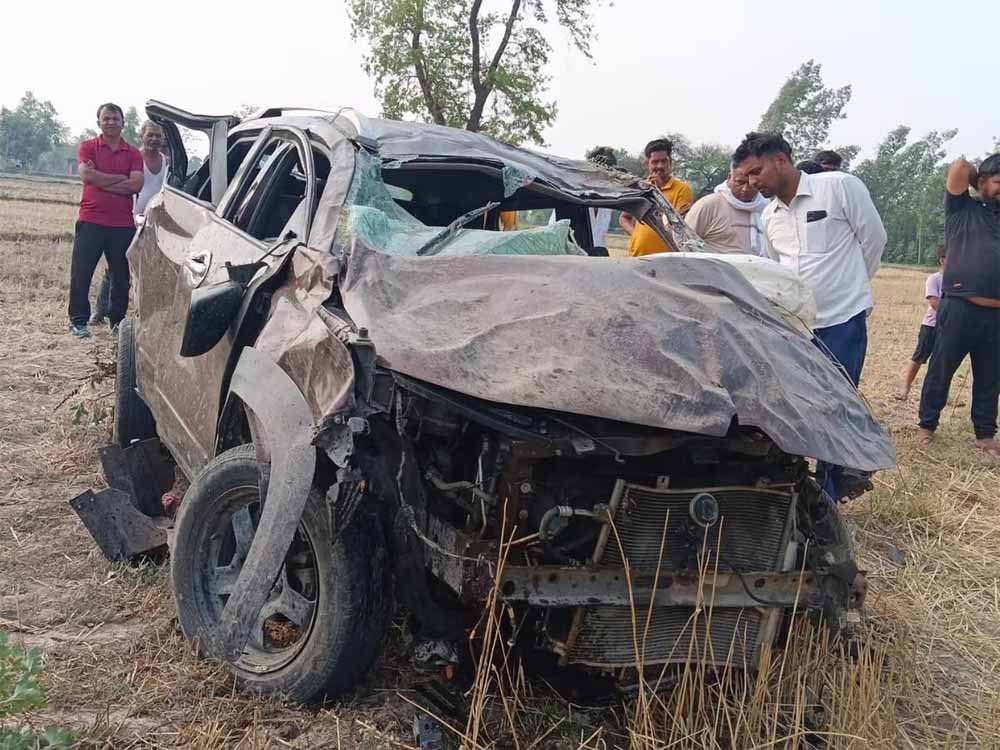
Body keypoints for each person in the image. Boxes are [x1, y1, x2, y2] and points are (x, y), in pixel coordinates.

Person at [733, 132, 887, 499]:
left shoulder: (839, 187)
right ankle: (792, 490)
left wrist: (852, 288)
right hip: (795, 328)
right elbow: (775, 271)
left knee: (836, 408)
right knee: (794, 408)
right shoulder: (769, 216)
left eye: (756, 172)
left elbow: (874, 240)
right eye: (747, 175)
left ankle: (829, 496)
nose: (752, 182)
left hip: (841, 321)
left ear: (780, 161)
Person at [918, 155, 1000, 456]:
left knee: (991, 377)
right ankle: (927, 425)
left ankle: (985, 435)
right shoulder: (962, 208)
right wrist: (982, 181)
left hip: (997, 315)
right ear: (981, 183)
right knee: (941, 369)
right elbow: (960, 167)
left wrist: (992, 182)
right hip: (959, 306)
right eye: (999, 182)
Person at [69, 103, 143, 338]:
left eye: (115, 118)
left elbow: (136, 185)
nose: (111, 122)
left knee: (121, 277)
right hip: (91, 220)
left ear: (123, 123)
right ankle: (78, 322)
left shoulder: (133, 153)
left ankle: (117, 322)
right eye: (106, 118)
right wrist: (121, 179)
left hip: (122, 225)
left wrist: (100, 180)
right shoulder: (88, 147)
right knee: (81, 273)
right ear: (98, 122)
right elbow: (86, 175)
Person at [91, 120, 168, 325]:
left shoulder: (167, 163)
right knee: (117, 267)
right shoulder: (133, 158)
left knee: (150, 268)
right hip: (129, 219)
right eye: (150, 135)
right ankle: (101, 310)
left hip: (156, 223)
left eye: (158, 136)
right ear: (142, 136)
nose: (154, 139)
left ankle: (141, 314)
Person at [620, 138, 694, 256]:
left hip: (666, 259)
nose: (660, 166)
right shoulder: (641, 188)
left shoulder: (682, 190)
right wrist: (636, 235)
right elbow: (624, 218)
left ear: (670, 163)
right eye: (655, 162)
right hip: (637, 256)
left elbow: (678, 226)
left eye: (664, 161)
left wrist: (657, 193)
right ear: (647, 164)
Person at [684, 163, 769, 255]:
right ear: (729, 178)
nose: (745, 189)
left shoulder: (767, 209)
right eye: (740, 182)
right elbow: (684, 243)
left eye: (750, 184)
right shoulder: (708, 205)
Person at [895, 246, 946, 401]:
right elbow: (934, 302)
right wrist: (953, 313)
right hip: (931, 325)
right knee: (919, 356)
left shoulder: (958, 281)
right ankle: (905, 388)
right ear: (942, 260)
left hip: (948, 327)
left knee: (941, 362)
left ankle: (938, 394)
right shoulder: (934, 279)